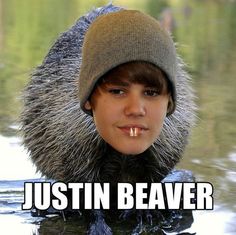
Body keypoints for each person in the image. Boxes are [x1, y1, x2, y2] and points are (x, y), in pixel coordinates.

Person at [21, 4, 196, 235]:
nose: (135, 109)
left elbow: (170, 150)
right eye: (117, 92)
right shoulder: (72, 126)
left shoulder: (168, 122)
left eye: (151, 93)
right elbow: (70, 164)